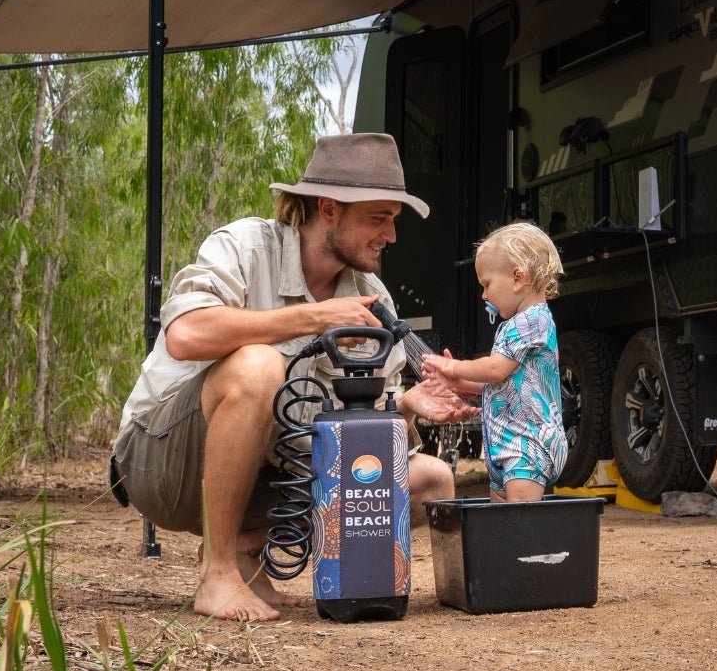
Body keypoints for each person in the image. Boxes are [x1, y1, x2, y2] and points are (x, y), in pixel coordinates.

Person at [112, 133, 477, 622]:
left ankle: (245, 546)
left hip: (266, 476)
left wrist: (408, 408)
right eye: (379, 218)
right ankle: (217, 573)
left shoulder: (373, 297)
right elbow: (185, 334)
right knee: (260, 366)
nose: (391, 236)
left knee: (431, 481)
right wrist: (313, 318)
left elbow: (366, 436)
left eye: (393, 220)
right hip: (162, 466)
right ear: (328, 208)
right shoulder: (244, 245)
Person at [421, 222, 567, 502]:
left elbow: (494, 368)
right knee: (499, 525)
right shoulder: (516, 325)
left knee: (519, 525)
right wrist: (459, 383)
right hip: (504, 447)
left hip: (529, 446)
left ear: (517, 278)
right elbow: (500, 381)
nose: (484, 296)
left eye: (486, 285)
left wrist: (453, 366)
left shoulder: (533, 320)